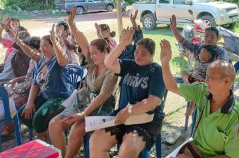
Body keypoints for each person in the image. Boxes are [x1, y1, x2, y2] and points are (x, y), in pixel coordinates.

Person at [49, 10, 120, 158]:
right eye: (91, 53)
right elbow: (83, 43)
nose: (91, 56)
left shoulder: (112, 70)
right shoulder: (94, 63)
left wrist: (83, 114)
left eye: (95, 53)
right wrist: (72, 25)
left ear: (106, 52)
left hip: (103, 108)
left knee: (75, 129)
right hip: (83, 102)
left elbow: (102, 97)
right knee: (54, 124)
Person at [160, 39, 239, 158]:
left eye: (210, 77)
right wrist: (165, 62)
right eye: (206, 76)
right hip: (193, 151)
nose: (206, 80)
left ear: (226, 81)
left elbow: (232, 157)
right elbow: (172, 86)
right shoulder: (202, 92)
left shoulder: (237, 117)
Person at [89, 28, 166, 158]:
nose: (138, 56)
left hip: (146, 119)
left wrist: (129, 111)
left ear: (152, 55)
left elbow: (154, 102)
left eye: (143, 53)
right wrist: (122, 44)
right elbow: (108, 63)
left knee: (126, 151)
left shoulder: (157, 71)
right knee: (95, 141)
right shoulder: (131, 64)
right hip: (122, 115)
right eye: (136, 51)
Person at [17, 25, 74, 141]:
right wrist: (30, 103)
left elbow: (62, 58)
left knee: (39, 118)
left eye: (46, 46)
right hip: (45, 96)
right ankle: (46, 133)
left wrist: (54, 40)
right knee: (23, 113)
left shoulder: (58, 61)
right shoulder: (41, 61)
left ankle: (44, 141)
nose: (43, 49)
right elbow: (35, 84)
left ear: (54, 47)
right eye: (41, 46)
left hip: (61, 98)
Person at [170, 14, 229, 82]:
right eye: (206, 36)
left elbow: (221, 71)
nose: (208, 39)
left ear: (217, 38)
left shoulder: (221, 52)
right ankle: (189, 83)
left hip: (211, 83)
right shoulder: (199, 47)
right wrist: (174, 29)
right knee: (182, 75)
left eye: (212, 37)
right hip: (195, 79)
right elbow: (183, 43)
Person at [183, 44, 218, 116]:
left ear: (209, 56)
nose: (200, 54)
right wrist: (190, 74)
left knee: (196, 87)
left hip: (200, 81)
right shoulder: (198, 62)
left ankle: (192, 106)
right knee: (183, 72)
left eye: (202, 53)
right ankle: (186, 82)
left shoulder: (210, 65)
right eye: (200, 52)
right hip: (192, 77)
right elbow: (195, 70)